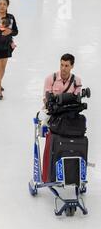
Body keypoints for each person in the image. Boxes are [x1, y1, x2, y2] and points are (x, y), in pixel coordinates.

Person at [41, 53, 83, 182]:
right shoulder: (51, 79)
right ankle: (47, 174)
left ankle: (71, 171)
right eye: (61, 65)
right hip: (52, 115)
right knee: (51, 137)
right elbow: (46, 101)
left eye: (66, 65)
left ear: (72, 66)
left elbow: (78, 101)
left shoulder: (76, 81)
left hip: (68, 115)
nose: (63, 68)